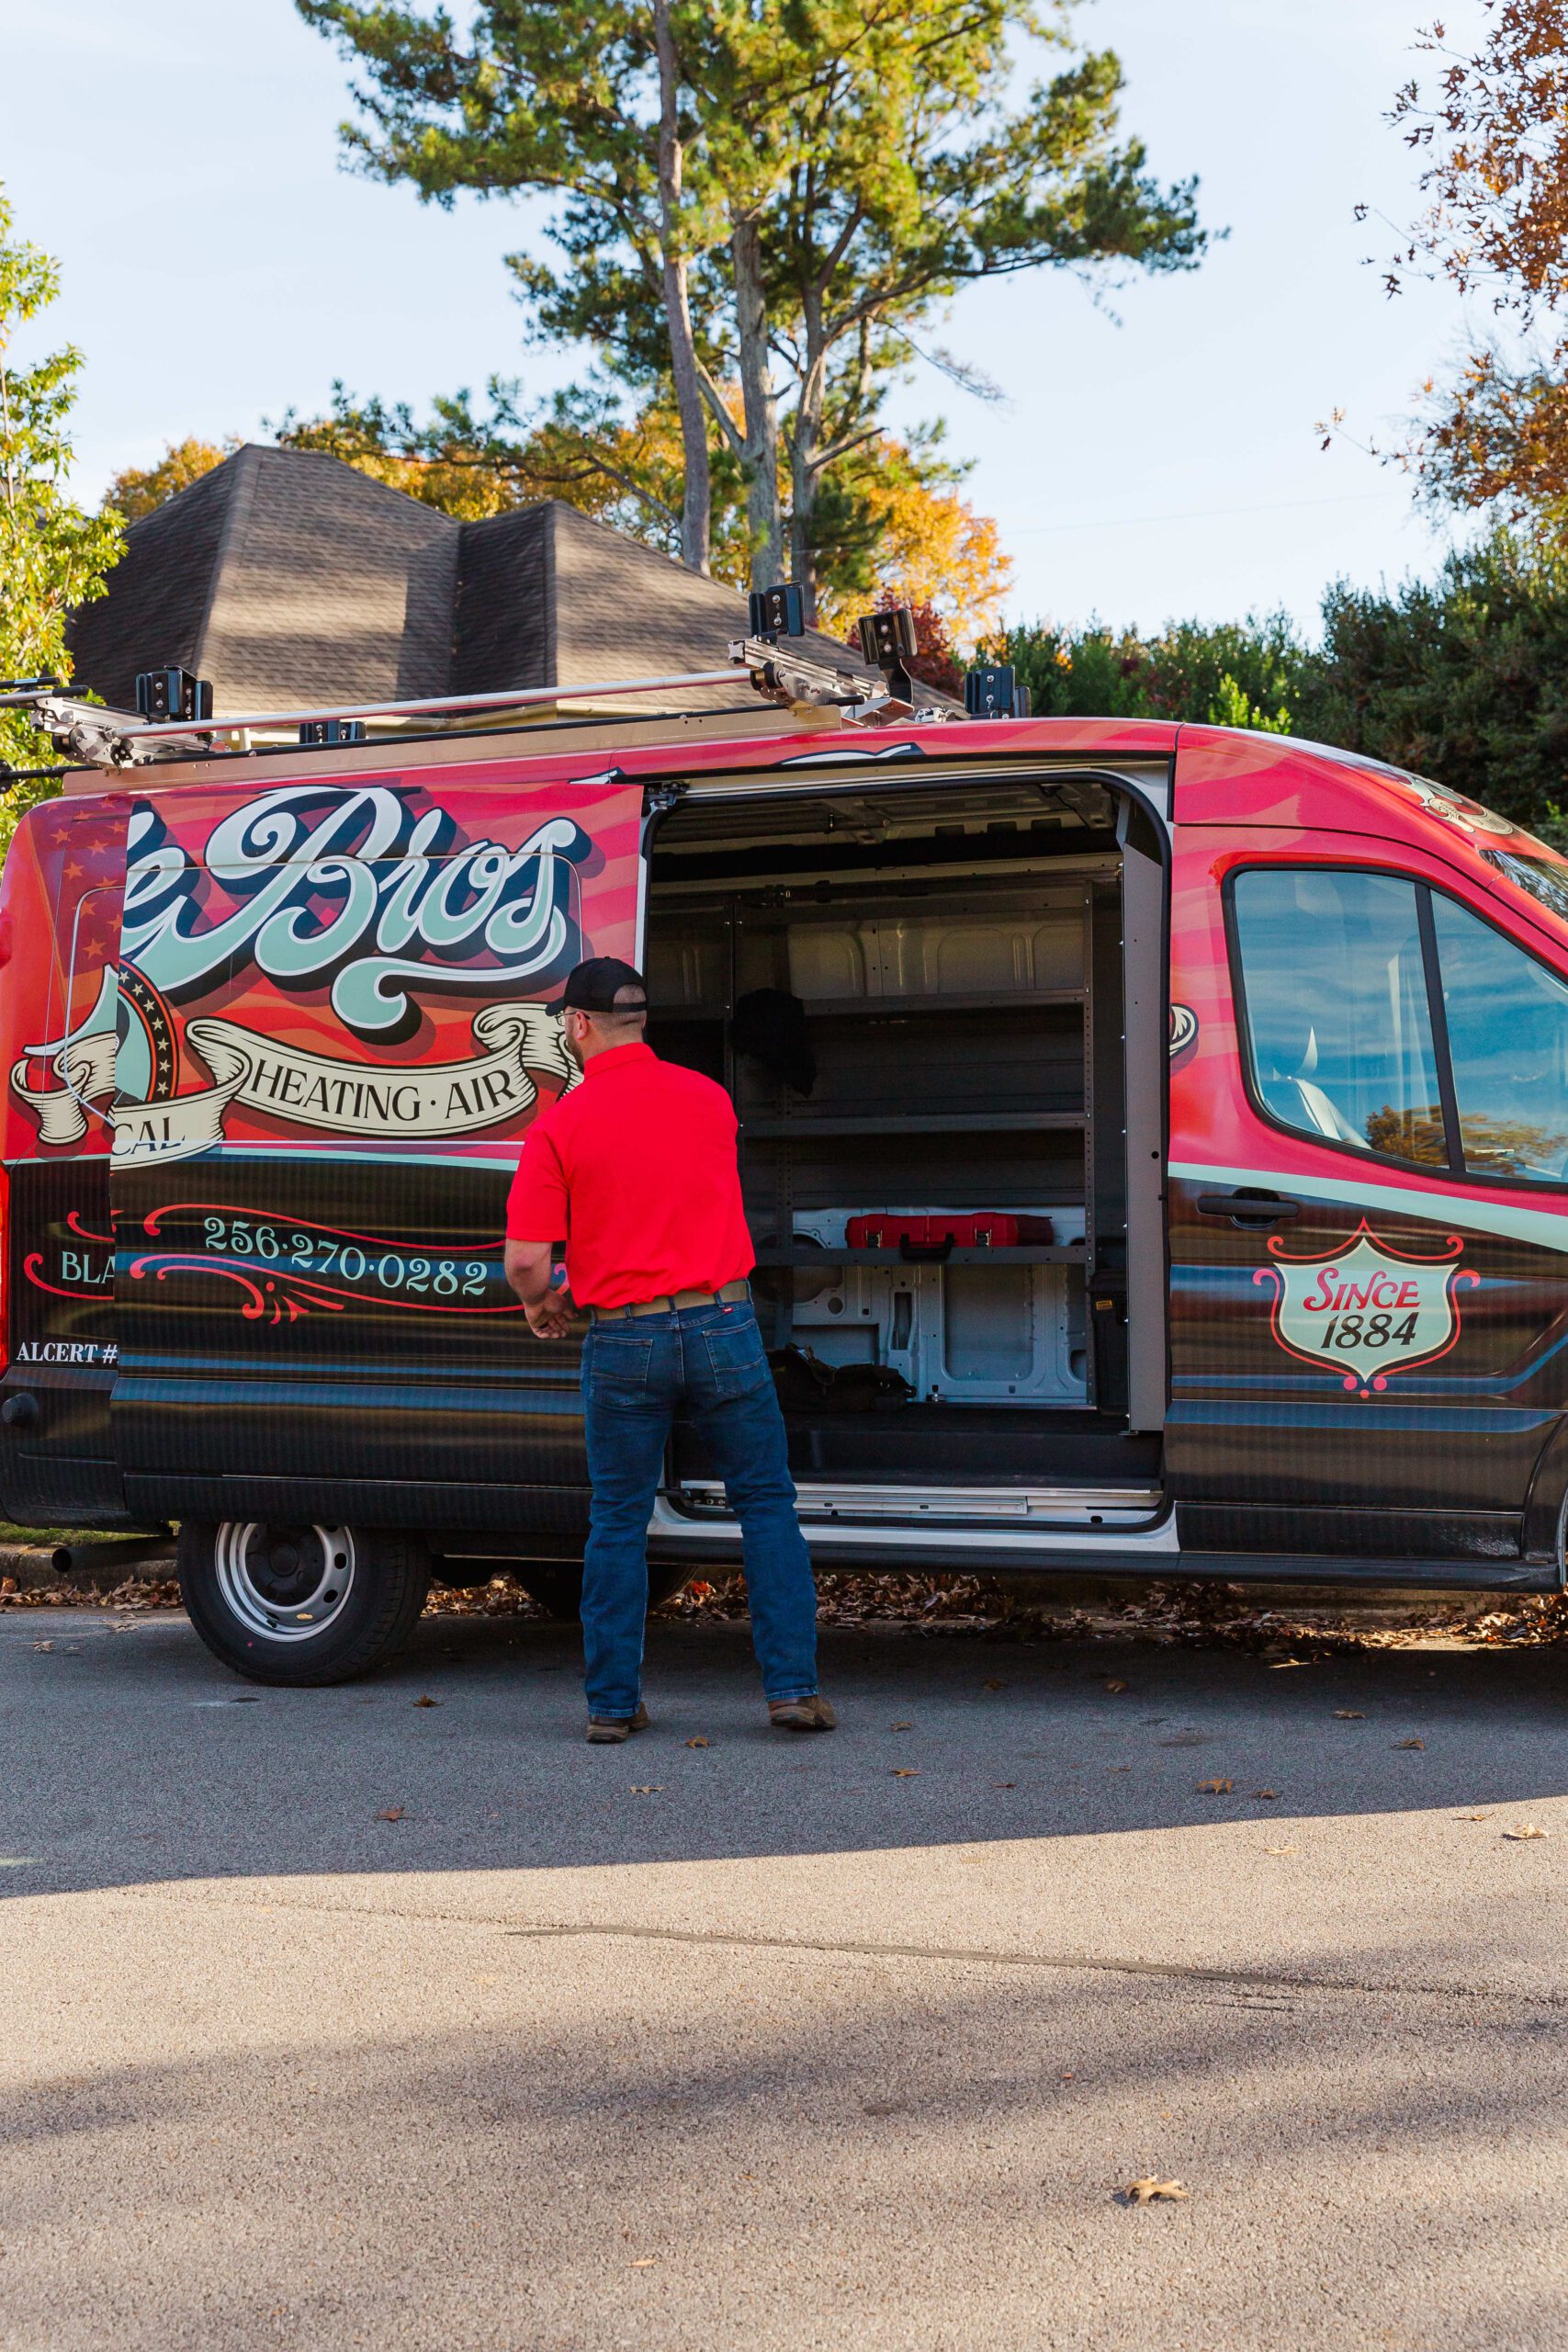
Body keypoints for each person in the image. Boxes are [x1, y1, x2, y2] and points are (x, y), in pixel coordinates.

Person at [503, 956, 834, 1744]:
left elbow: (525, 1258)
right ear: (640, 1020)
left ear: (579, 1025)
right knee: (764, 1505)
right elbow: (676, 1204)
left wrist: (543, 1301)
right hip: (721, 1323)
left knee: (618, 1518)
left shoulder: (560, 1123)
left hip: (624, 1336)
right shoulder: (708, 1099)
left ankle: (612, 1706)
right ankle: (791, 1691)